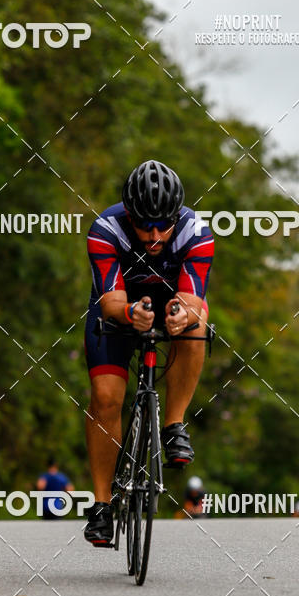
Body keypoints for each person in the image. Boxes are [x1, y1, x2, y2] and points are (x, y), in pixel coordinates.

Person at [83, 159, 214, 546]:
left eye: (163, 225)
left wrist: (181, 315)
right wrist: (129, 314)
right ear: (129, 214)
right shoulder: (106, 230)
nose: (155, 236)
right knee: (106, 398)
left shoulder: (196, 232)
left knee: (198, 322)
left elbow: (193, 298)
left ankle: (173, 424)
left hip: (172, 302)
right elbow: (110, 302)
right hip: (119, 307)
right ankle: (103, 506)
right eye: (145, 225)